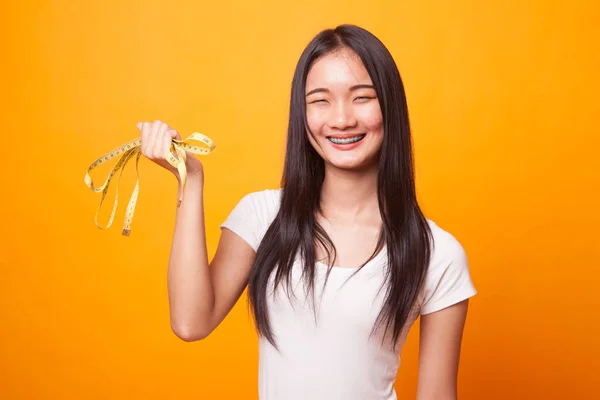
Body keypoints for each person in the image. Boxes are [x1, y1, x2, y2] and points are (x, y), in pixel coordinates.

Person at [137, 24, 477, 400]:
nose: (342, 118)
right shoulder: (263, 216)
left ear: (390, 105)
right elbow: (190, 321)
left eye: (362, 97)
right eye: (320, 100)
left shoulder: (438, 254)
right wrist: (190, 179)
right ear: (302, 113)